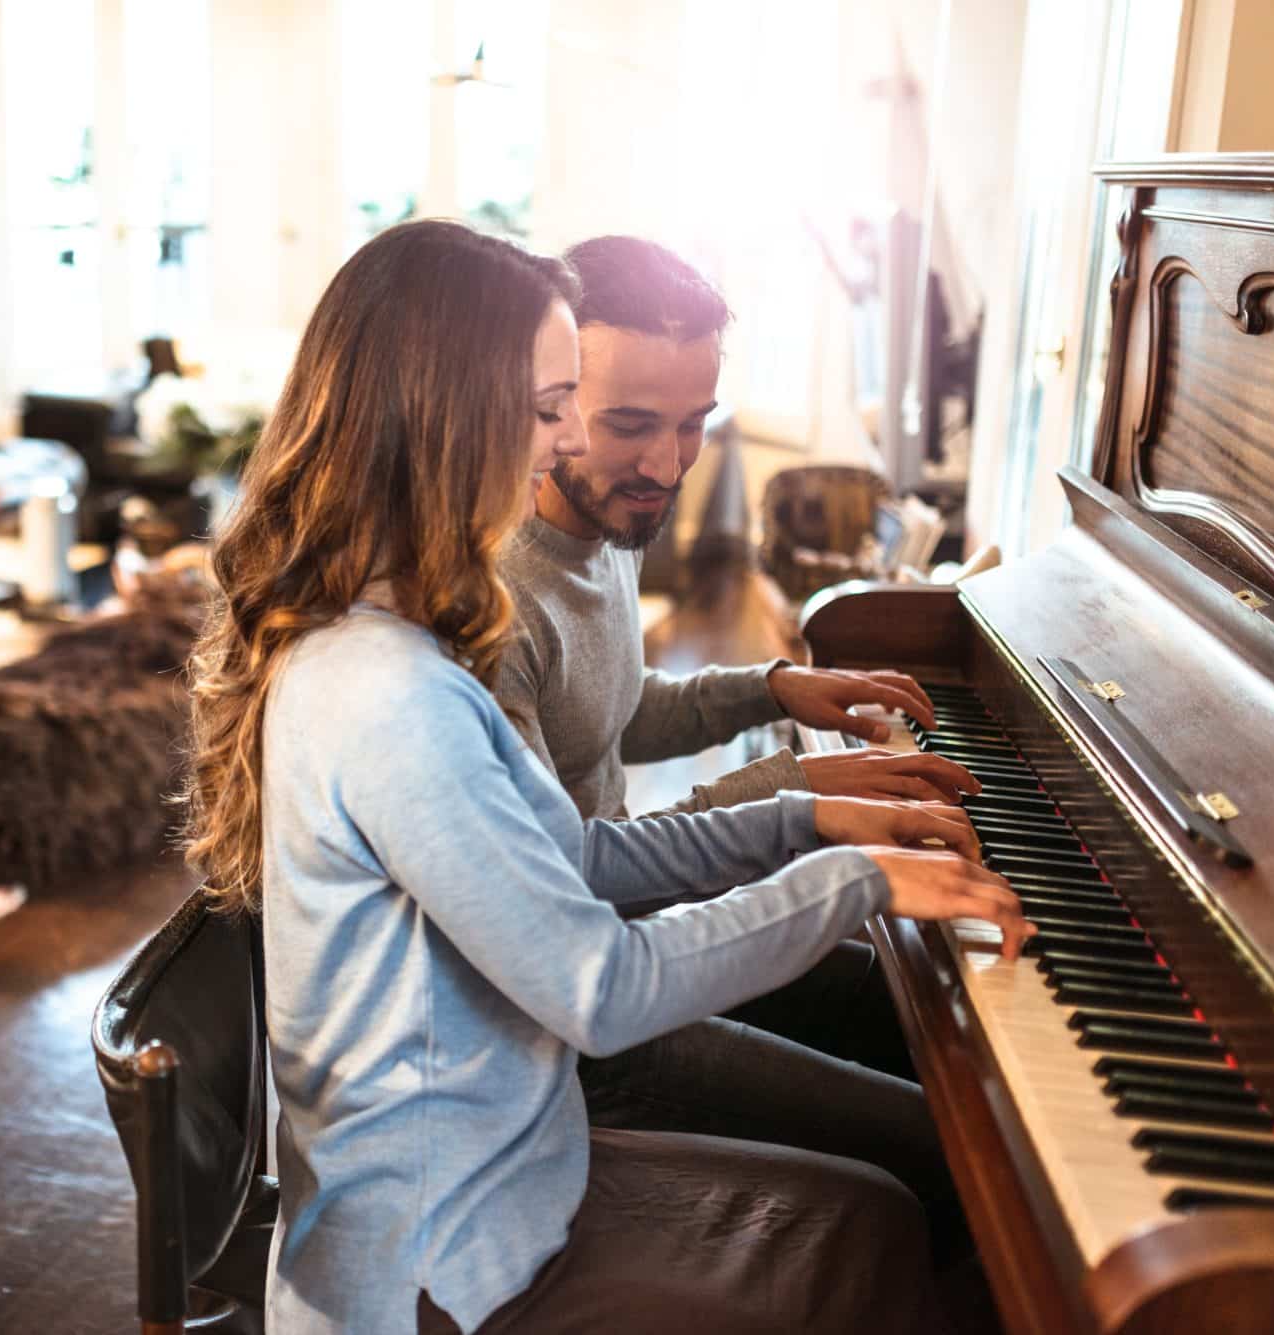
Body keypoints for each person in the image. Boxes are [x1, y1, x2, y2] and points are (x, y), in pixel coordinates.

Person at [182, 219, 1028, 1334]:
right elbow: (599, 986)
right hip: (442, 1262)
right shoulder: (390, 691)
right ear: (445, 420)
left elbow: (570, 854)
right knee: (887, 1221)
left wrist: (811, 818)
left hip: (515, 1176)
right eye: (548, 409)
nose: (567, 439)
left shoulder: (398, 638)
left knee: (876, 1210)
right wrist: (854, 879)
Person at [494, 236, 972, 1217]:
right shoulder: (494, 605)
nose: (666, 464)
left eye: (692, 424)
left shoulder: (606, 525)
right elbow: (574, 867)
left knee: (924, 1019)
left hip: (632, 947)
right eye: (627, 424)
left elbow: (610, 714)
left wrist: (772, 690)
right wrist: (804, 803)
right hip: (572, 1033)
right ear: (542, 400)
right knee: (947, 1155)